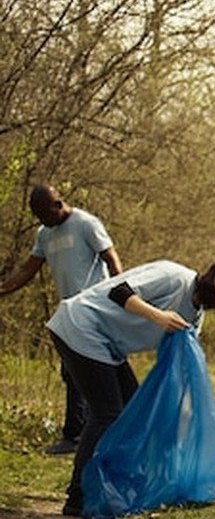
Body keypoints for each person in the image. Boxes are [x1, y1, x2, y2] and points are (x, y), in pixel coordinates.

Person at [49, 253, 215, 517]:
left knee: (132, 410)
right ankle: (77, 495)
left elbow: (179, 365)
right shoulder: (173, 276)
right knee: (107, 413)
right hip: (80, 325)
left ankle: (111, 483)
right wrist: (158, 316)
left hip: (106, 344)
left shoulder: (195, 317)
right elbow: (119, 291)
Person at [0, 184, 123, 455]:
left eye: (46, 215)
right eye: (39, 218)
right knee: (72, 371)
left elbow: (112, 260)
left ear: (58, 204)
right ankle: (76, 434)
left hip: (95, 308)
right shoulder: (44, 234)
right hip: (69, 312)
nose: (44, 222)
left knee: (100, 370)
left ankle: (92, 432)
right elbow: (27, 270)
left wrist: (121, 300)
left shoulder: (86, 224)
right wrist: (3, 289)